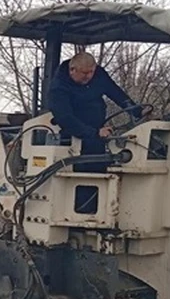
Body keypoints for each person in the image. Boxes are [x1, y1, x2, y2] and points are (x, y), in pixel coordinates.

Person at [48, 52, 140, 214]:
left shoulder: (98, 74)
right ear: (72, 70)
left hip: (98, 133)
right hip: (73, 137)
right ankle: (82, 213)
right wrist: (93, 133)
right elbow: (65, 118)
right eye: (85, 73)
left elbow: (115, 92)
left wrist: (136, 111)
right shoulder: (58, 88)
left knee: (102, 168)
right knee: (85, 175)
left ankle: (104, 211)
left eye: (91, 72)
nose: (89, 77)